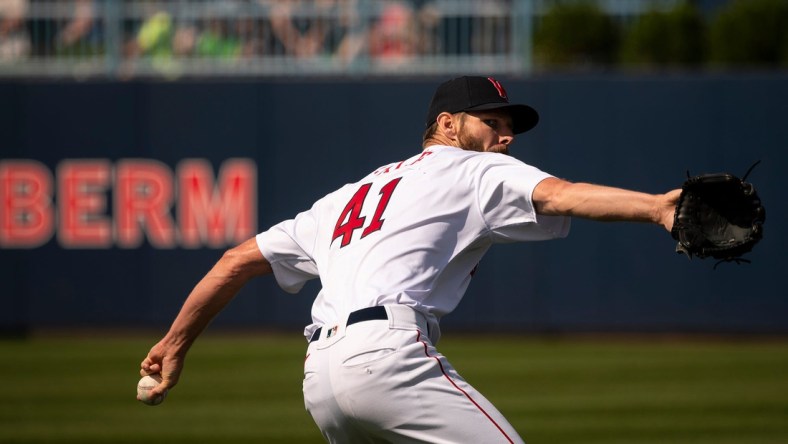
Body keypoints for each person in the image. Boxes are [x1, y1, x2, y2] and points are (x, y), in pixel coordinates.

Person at [139, 75, 680, 443]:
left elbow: (234, 260)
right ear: (448, 126)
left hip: (319, 378)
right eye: (491, 121)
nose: (506, 134)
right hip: (388, 356)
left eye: (507, 124)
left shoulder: (344, 198)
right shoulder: (473, 168)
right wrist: (656, 208)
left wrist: (174, 344)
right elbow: (562, 195)